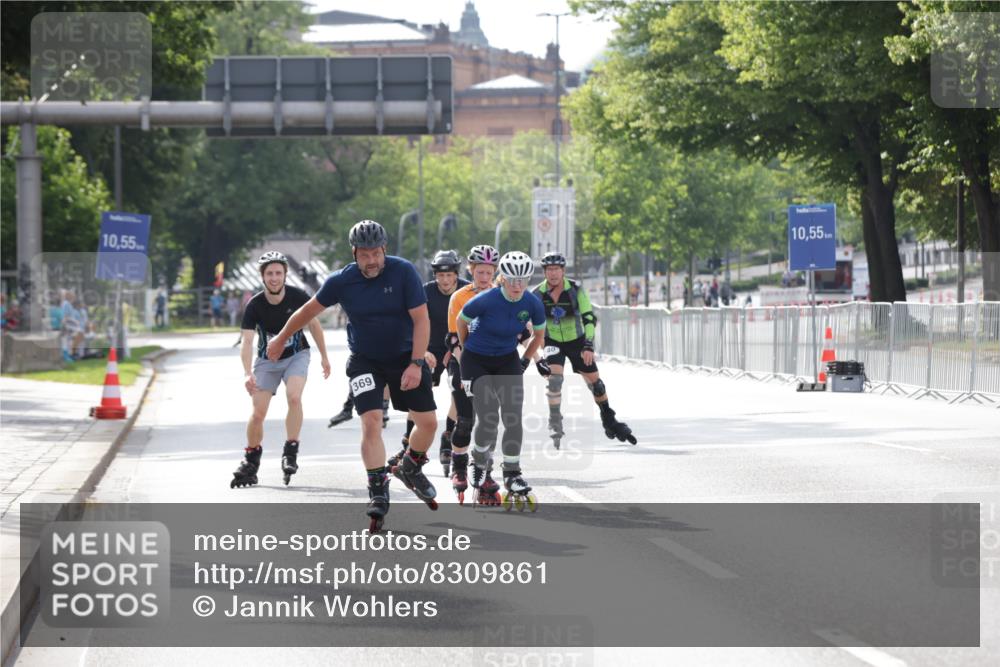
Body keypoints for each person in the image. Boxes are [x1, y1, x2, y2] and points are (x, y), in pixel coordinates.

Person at [268, 220, 438, 532]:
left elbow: (421, 319)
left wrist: (416, 362)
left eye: (376, 253)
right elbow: (307, 311)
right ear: (354, 253)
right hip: (366, 361)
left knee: (428, 424)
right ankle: (377, 490)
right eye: (364, 255)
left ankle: (410, 466)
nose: (371, 260)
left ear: (384, 250)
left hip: (405, 357)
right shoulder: (342, 281)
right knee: (371, 421)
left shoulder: (403, 272)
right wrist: (280, 338)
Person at [231, 251, 331, 489]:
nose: (274, 278)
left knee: (294, 397)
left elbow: (315, 326)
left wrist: (325, 357)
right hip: (267, 360)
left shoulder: (298, 297)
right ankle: (251, 460)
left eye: (278, 273)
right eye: (269, 274)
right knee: (258, 414)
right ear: (263, 277)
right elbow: (246, 342)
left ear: (285, 275)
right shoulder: (254, 305)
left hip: (297, 355)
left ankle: (291, 449)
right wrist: (247, 373)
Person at [457, 251, 546, 510]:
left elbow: (538, 336)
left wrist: (525, 361)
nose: (518, 285)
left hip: (507, 358)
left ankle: (512, 473)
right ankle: (478, 461)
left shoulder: (532, 303)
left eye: (524, 279)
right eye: (512, 279)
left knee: (513, 417)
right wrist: (466, 351)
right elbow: (461, 323)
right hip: (476, 361)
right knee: (488, 417)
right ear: (502, 277)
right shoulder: (486, 300)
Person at [533, 252, 637, 447]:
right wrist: (538, 352)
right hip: (553, 340)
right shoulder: (537, 294)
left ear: (563, 271)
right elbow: (533, 324)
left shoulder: (575, 289)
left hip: (577, 340)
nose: (553, 273)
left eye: (557, 269)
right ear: (544, 272)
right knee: (554, 380)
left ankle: (608, 418)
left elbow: (589, 318)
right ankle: (555, 420)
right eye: (549, 270)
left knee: (596, 385)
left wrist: (588, 345)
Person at [393, 249, 469, 476]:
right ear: (434, 275)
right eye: (440, 275)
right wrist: (423, 351)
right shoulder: (424, 292)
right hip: (428, 349)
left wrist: (457, 350)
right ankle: (408, 445)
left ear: (457, 274)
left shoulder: (467, 291)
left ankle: (447, 441)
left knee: (460, 391)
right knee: (417, 394)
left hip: (456, 348)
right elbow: (409, 323)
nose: (445, 280)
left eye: (449, 275)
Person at [441, 244, 500, 503]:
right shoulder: (459, 297)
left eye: (489, 272)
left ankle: (485, 472)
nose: (484, 277)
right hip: (463, 360)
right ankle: (459, 467)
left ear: (495, 272)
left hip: (492, 363)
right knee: (465, 420)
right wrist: (467, 368)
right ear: (471, 270)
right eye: (480, 272)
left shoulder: (504, 295)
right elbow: (454, 340)